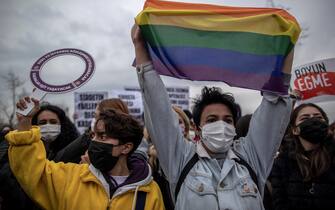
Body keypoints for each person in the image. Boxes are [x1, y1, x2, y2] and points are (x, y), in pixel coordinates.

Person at [131, 24, 294, 210]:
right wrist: (140, 49)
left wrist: (286, 46)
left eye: (228, 120)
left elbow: (274, 104)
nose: (221, 125)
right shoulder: (181, 158)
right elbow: (158, 108)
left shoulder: (250, 157)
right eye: (211, 119)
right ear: (198, 127)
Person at [5, 97, 165, 210]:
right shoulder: (71, 177)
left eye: (103, 136)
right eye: (94, 135)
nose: (94, 141)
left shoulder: (149, 192)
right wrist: (25, 124)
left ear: (126, 147)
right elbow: (32, 172)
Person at [0, 104, 79, 210]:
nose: (48, 125)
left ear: (62, 125)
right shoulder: (14, 150)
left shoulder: (76, 152)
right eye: (42, 122)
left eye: (53, 122)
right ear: (34, 126)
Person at [270, 103, 335, 210]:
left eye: (318, 117)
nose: (313, 120)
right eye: (305, 118)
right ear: (295, 130)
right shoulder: (282, 163)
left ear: (326, 126)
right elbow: (279, 203)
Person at [53, 98, 130, 163]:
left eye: (97, 117)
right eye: (94, 116)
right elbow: (59, 160)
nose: (94, 121)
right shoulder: (88, 139)